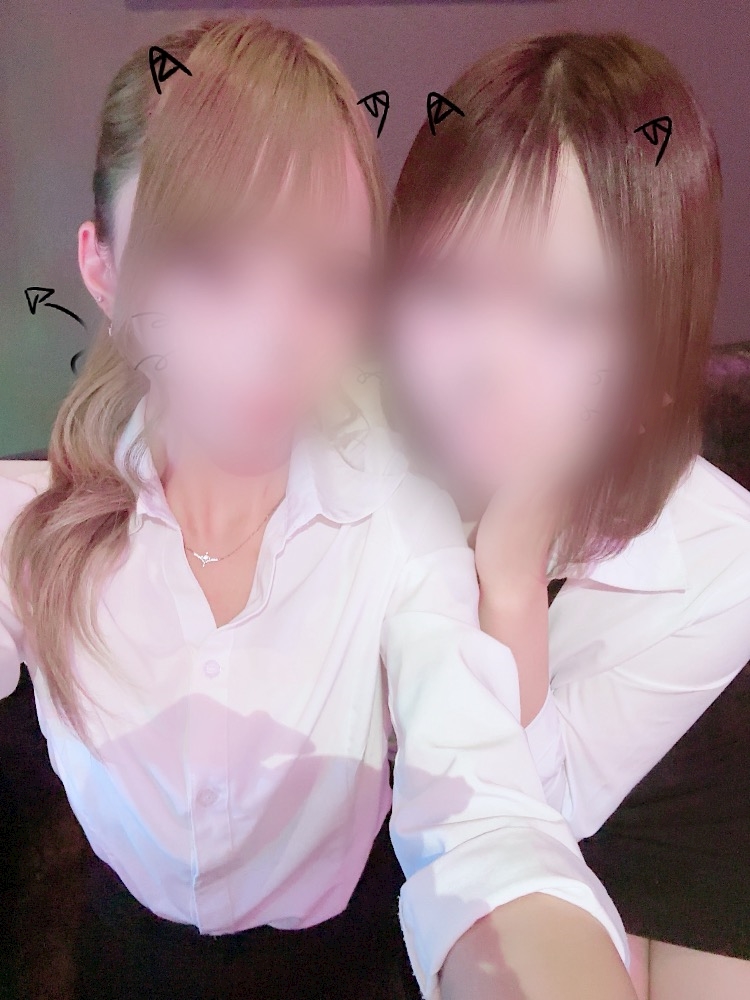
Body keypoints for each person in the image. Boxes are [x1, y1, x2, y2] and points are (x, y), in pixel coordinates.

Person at [0, 17, 636, 1000]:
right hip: (125, 955)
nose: (275, 339)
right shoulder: (26, 526)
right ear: (105, 270)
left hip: (347, 962)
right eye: (209, 267)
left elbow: (483, 808)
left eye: (329, 279)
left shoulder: (394, 520)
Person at [386, 31, 750, 1000]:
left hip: (672, 795)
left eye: (568, 309)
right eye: (450, 284)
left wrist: (509, 574)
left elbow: (547, 805)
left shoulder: (723, 554)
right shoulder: (360, 455)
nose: (490, 361)